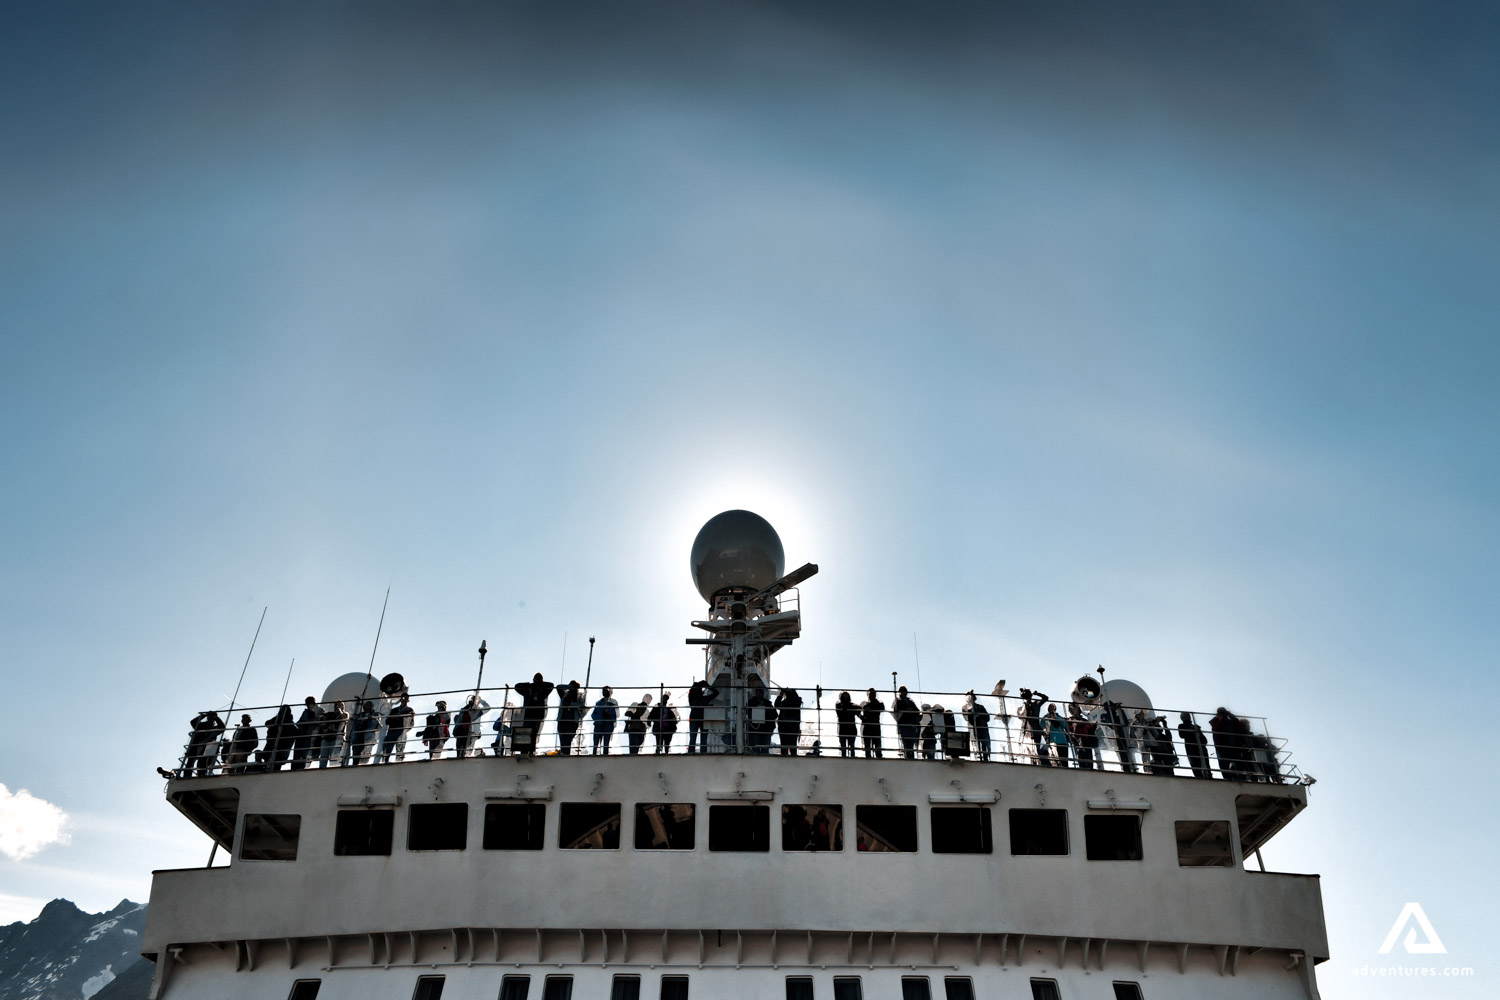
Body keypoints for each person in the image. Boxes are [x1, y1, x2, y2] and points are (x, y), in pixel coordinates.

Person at [513, 674, 556, 754]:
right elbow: (517, 686)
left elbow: (551, 685)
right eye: (537, 679)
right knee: (526, 733)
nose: (538, 680)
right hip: (528, 713)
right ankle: (524, 751)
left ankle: (531, 751)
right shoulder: (528, 689)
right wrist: (530, 685)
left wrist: (538, 684)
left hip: (537, 714)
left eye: (540, 679)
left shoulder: (544, 690)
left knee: (533, 733)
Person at [184, 710, 224, 776]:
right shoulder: (201, 726)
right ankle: (187, 776)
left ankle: (201, 775)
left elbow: (222, 727)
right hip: (196, 745)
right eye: (210, 716)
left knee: (202, 763)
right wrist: (204, 715)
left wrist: (216, 718)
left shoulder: (215, 728)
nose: (210, 717)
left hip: (207, 747)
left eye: (212, 716)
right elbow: (193, 722)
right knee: (190, 762)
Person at [687, 679, 720, 754]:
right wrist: (702, 685)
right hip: (700, 719)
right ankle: (699, 753)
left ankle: (695, 752)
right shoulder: (694, 698)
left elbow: (716, 693)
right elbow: (716, 692)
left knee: (698, 739)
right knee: (695, 738)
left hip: (699, 719)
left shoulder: (694, 699)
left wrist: (706, 686)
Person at [381, 695, 414, 763]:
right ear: (400, 699)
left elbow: (411, 723)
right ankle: (386, 761)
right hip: (392, 730)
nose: (403, 700)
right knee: (388, 747)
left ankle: (399, 761)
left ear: (407, 700)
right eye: (402, 698)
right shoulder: (394, 710)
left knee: (400, 747)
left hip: (401, 731)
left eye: (405, 699)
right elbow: (387, 721)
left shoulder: (409, 710)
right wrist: (393, 718)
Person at [1178, 712, 1211, 778]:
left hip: (1200, 749)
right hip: (1192, 750)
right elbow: (1182, 735)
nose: (1187, 717)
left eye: (1187, 715)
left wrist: (1198, 731)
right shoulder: (1182, 726)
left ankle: (1208, 776)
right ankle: (1200, 777)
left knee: (1206, 766)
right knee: (1196, 767)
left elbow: (1204, 740)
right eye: (1185, 715)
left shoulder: (1195, 727)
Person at [1019, 689, 1048, 763]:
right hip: (1028, 732)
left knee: (1037, 750)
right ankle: (1036, 763)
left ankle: (1041, 763)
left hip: (1034, 731)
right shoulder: (1023, 708)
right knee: (1030, 751)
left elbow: (1045, 698)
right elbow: (1020, 716)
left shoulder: (1035, 704)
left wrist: (1037, 694)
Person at [556, 681, 585, 754]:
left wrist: (571, 704)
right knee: (562, 739)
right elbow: (558, 687)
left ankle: (565, 753)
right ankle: (563, 752)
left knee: (568, 740)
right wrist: (569, 687)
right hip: (562, 720)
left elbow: (581, 706)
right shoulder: (565, 694)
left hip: (572, 722)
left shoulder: (579, 696)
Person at [291, 698, 320, 770]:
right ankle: (295, 768)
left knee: (306, 754)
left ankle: (303, 768)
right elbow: (299, 722)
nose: (307, 706)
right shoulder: (306, 712)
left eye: (308, 704)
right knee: (298, 753)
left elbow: (320, 723)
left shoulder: (320, 711)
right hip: (302, 735)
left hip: (312, 737)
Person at [892, 686, 921, 759]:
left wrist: (912, 711)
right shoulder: (898, 701)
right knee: (906, 742)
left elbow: (917, 712)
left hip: (911, 724)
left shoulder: (910, 701)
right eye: (902, 691)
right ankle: (907, 756)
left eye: (904, 691)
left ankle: (911, 757)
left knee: (911, 742)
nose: (903, 693)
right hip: (904, 724)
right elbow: (896, 711)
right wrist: (906, 709)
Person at [774, 687, 803, 755]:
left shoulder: (795, 701)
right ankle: (786, 759)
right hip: (785, 727)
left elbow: (794, 701)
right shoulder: (786, 702)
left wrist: (785, 693)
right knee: (785, 746)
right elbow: (777, 705)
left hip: (791, 727)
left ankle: (791, 760)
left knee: (792, 746)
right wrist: (781, 695)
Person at [746, 687, 776, 753]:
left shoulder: (767, 703)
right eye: (758, 692)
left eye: (761, 692)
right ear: (756, 693)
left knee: (764, 749)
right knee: (755, 748)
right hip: (755, 729)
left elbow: (774, 715)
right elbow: (747, 713)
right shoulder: (750, 703)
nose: (760, 694)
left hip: (765, 729)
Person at [963, 691, 991, 762]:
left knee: (985, 745)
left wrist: (979, 717)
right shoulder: (965, 708)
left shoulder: (980, 707)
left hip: (983, 729)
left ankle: (986, 759)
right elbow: (967, 718)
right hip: (973, 730)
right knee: (975, 746)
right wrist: (970, 708)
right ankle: (977, 758)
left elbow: (987, 718)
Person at [318, 701, 348, 767]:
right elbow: (321, 719)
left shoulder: (345, 714)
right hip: (326, 738)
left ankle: (333, 771)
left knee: (334, 757)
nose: (338, 707)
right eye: (337, 705)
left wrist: (339, 711)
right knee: (323, 757)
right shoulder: (329, 714)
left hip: (337, 739)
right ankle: (321, 771)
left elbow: (343, 718)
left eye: (341, 705)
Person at [1068, 705, 1097, 770]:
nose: (1075, 710)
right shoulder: (1070, 720)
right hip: (1077, 740)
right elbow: (1070, 728)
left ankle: (1090, 769)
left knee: (1089, 757)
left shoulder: (1084, 720)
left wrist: (1094, 726)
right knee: (1081, 757)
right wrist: (1078, 723)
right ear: (1071, 711)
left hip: (1086, 740)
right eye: (1073, 708)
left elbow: (1090, 730)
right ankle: (1083, 769)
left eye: (1076, 708)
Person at [591, 686, 618, 754]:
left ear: (610, 692)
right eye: (603, 690)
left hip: (608, 724)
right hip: (599, 724)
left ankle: (605, 755)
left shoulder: (614, 702)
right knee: (596, 743)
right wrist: (598, 717)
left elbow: (617, 714)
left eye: (607, 690)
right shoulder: (599, 703)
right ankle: (594, 755)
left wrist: (610, 713)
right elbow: (593, 714)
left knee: (606, 743)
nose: (605, 692)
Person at [859, 688, 885, 758]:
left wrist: (869, 707)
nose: (872, 695)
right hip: (867, 725)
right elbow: (857, 710)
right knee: (867, 745)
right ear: (868, 695)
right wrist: (862, 718)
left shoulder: (879, 702)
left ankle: (878, 757)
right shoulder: (864, 703)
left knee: (877, 744)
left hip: (875, 725)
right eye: (870, 694)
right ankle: (868, 758)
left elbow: (882, 708)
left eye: (873, 693)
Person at [834, 692, 858, 757]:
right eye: (844, 697)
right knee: (844, 747)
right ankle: (845, 758)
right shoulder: (839, 705)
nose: (845, 698)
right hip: (845, 728)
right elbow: (840, 711)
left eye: (847, 697)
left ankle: (851, 758)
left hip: (849, 728)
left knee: (851, 746)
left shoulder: (851, 705)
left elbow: (858, 708)